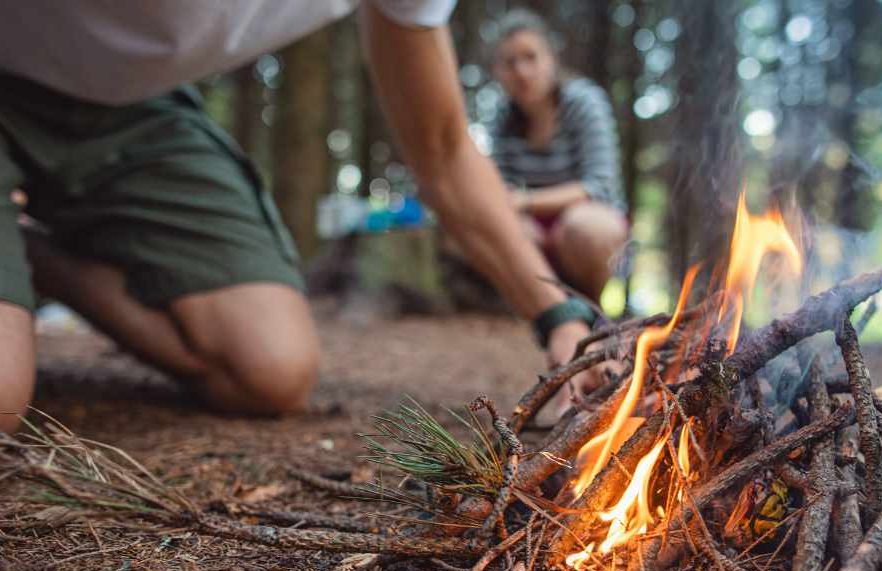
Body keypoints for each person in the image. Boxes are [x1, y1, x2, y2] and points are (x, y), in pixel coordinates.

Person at [0, 1, 606, 434]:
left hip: (133, 108)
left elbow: (445, 151)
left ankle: (29, 256)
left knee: (270, 369)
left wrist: (557, 314)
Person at [488, 9, 630, 302]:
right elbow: (504, 189)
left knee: (585, 229)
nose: (521, 71)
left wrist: (527, 202)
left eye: (531, 57)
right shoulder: (503, 118)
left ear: (551, 59)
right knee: (501, 231)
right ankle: (545, 311)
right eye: (510, 62)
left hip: (588, 224)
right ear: (498, 72)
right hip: (534, 230)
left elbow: (599, 186)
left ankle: (591, 310)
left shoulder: (583, 102)